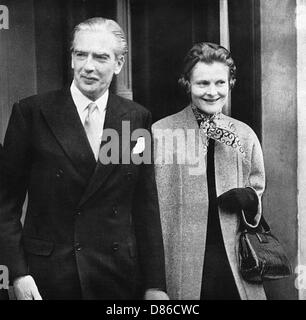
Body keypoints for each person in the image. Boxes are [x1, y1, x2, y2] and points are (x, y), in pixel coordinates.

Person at [0, 17, 168, 300]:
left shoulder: (137, 117)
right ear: (71, 59)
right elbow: (4, 205)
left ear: (118, 64)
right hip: (48, 277)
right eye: (81, 54)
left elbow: (145, 206)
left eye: (101, 57)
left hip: (117, 276)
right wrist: (18, 273)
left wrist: (155, 285)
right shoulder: (31, 113)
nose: (88, 66)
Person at [152, 42, 266, 300]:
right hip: (180, 264)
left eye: (220, 83)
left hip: (233, 264)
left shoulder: (244, 135)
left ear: (231, 83)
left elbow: (257, 189)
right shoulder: (160, 133)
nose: (212, 92)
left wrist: (249, 197)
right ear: (186, 83)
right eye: (202, 83)